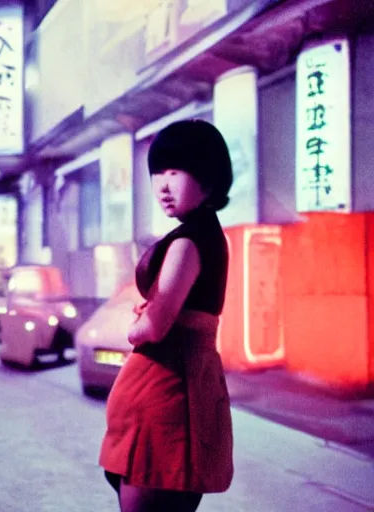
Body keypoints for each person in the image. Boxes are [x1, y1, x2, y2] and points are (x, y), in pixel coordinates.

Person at [99, 120, 234, 512]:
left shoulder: (188, 241)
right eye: (157, 172)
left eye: (175, 171)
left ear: (207, 177)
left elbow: (154, 326)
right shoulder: (209, 236)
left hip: (166, 395)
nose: (162, 185)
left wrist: (134, 324)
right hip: (186, 386)